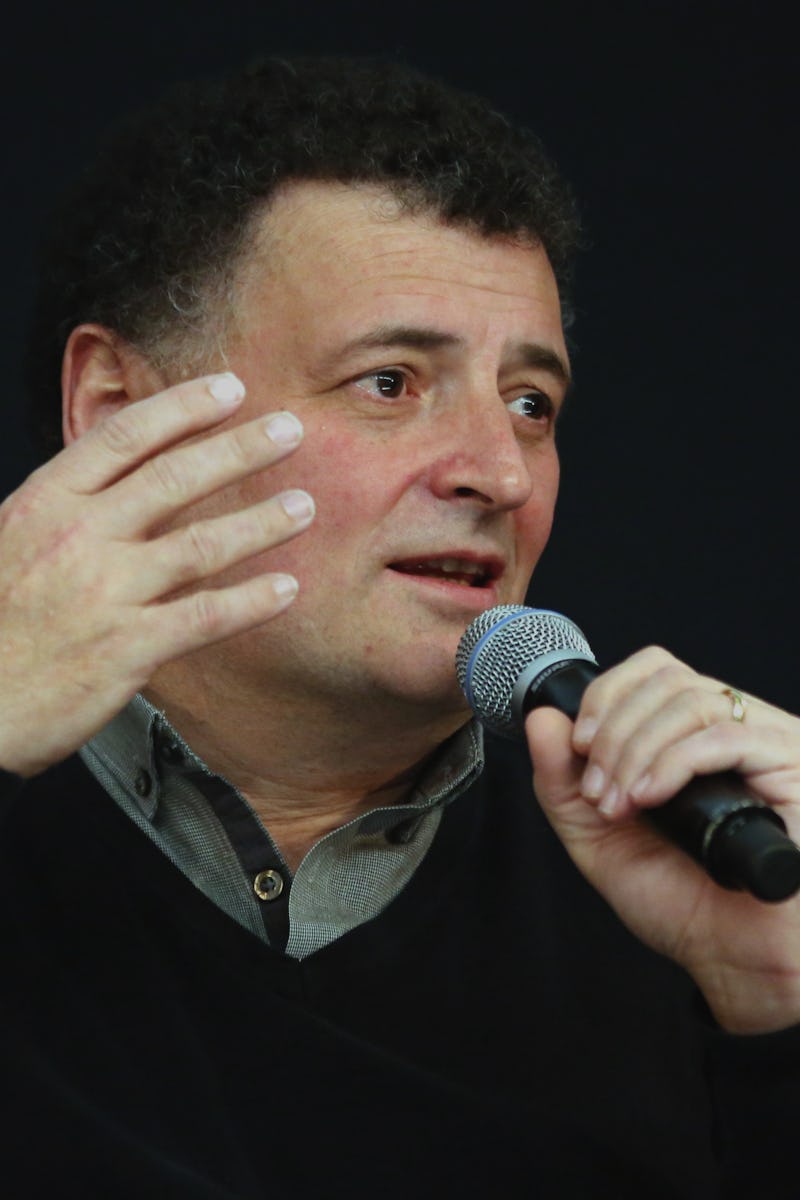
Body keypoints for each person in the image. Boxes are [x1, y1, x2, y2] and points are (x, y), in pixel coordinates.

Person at [1, 56, 799, 1197]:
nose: (498, 473)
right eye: (389, 382)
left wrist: (779, 1018)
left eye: (531, 404)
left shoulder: (687, 879)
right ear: (121, 414)